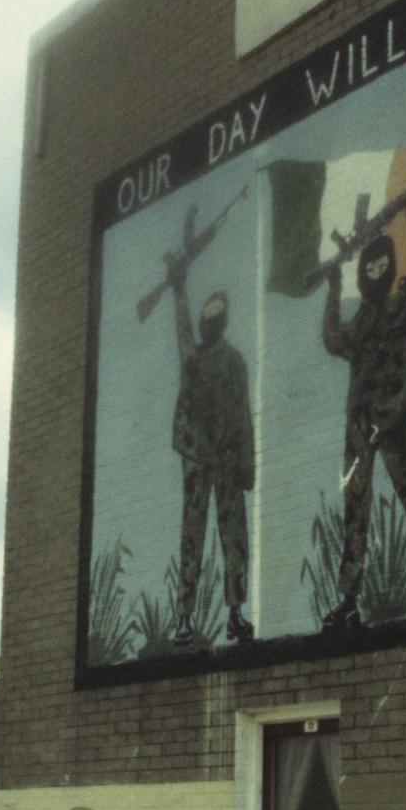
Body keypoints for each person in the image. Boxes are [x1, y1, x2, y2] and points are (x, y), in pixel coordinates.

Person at [320, 197, 406, 630]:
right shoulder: (360, 322)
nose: (377, 274)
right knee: (356, 512)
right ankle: (348, 600)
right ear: (363, 276)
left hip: (397, 418)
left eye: (383, 267)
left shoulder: (403, 305)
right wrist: (330, 290)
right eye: (370, 270)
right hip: (362, 425)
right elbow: (332, 339)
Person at [167, 272, 256, 646]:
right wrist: (180, 290)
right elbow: (183, 332)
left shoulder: (234, 362)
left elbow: (243, 413)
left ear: (222, 321)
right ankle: (185, 619)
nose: (208, 321)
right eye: (206, 314)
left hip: (227, 461)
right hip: (197, 459)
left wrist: (247, 464)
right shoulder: (194, 358)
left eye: (214, 315)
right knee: (193, 537)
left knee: (233, 538)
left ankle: (235, 614)